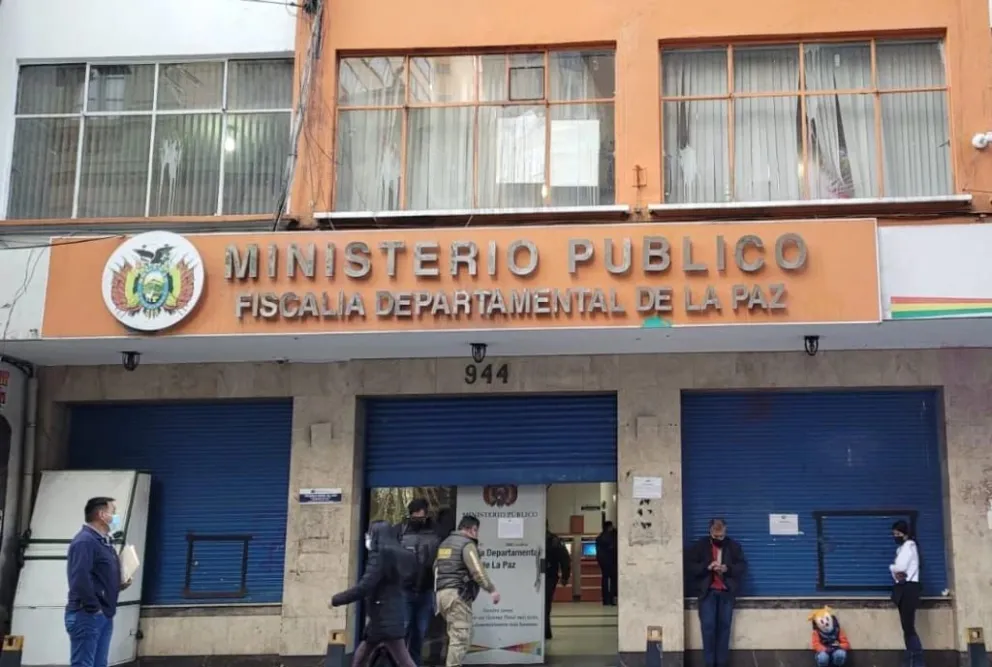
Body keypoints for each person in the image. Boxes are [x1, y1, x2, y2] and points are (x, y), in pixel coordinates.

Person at [330, 521, 418, 667]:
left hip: (383, 615)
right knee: (368, 650)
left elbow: (365, 586)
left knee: (401, 658)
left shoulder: (379, 555)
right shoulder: (401, 555)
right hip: (392, 612)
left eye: (369, 535)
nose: (367, 538)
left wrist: (337, 599)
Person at [66, 497, 131, 667]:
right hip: (87, 615)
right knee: (84, 664)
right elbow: (79, 578)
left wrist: (119, 583)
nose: (116, 516)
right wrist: (94, 607)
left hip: (103, 614)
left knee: (99, 663)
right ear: (102, 515)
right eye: (113, 512)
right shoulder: (85, 542)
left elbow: (99, 576)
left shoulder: (103, 542)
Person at [434, 515, 500, 667]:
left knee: (457, 634)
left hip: (442, 595)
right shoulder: (466, 544)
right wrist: (492, 590)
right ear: (471, 529)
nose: (477, 534)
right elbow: (477, 570)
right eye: (476, 531)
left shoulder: (445, 544)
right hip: (457, 595)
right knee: (461, 638)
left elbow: (436, 568)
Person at [687, 518, 747, 667]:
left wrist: (728, 569)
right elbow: (690, 567)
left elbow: (742, 567)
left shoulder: (733, 546)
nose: (719, 539)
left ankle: (721, 663)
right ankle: (709, 663)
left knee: (724, 628)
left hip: (726, 592)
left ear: (725, 532)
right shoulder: (700, 546)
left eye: (721, 536)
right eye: (716, 536)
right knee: (708, 628)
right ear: (710, 532)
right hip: (708, 593)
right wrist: (707, 567)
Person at [397, 498, 440, 666]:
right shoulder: (401, 531)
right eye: (415, 515)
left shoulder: (435, 531)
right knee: (404, 629)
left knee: (420, 633)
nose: (418, 518)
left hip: (426, 590)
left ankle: (414, 663)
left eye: (420, 514)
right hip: (405, 589)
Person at [890, 520, 923, 667]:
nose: (895, 536)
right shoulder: (904, 548)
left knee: (909, 627)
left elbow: (900, 567)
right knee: (907, 627)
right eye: (894, 534)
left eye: (897, 534)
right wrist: (896, 570)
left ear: (904, 534)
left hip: (908, 589)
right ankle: (912, 660)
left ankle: (916, 662)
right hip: (906, 589)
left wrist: (892, 567)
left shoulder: (908, 547)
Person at [544, 524, 571, 640]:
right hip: (548, 575)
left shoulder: (553, 540)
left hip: (548, 576)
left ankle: (545, 631)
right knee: (545, 604)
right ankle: (545, 632)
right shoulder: (554, 540)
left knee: (545, 604)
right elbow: (565, 558)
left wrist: (565, 576)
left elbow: (564, 559)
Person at [595, 521, 618, 606]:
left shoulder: (599, 537)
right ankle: (612, 599)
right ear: (609, 527)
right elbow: (614, 548)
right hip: (611, 561)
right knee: (613, 580)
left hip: (603, 562)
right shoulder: (612, 537)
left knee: (604, 579)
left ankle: (605, 600)